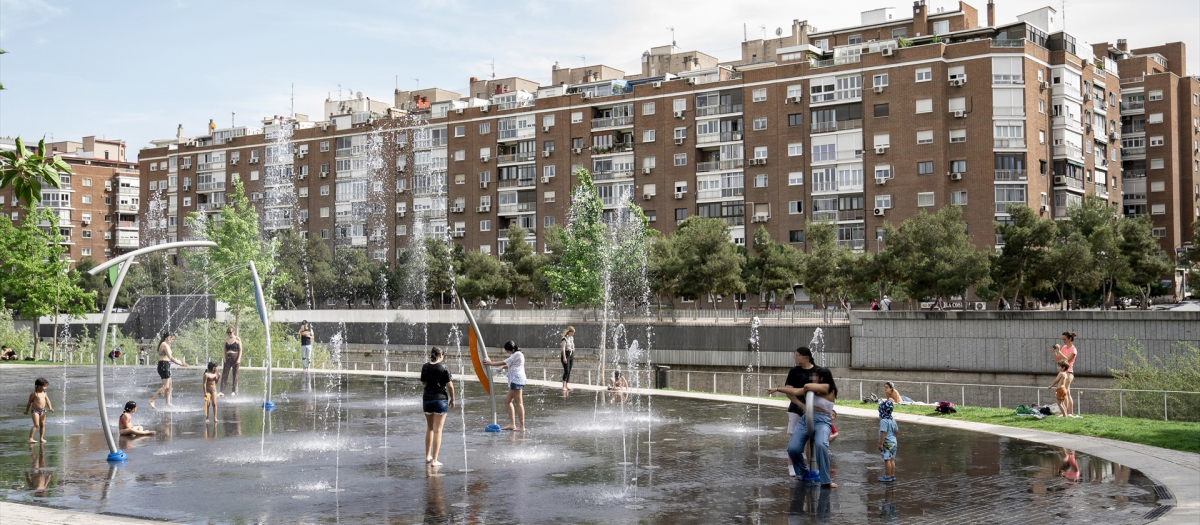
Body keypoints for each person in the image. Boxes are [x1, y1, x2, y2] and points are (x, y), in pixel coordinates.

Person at [768, 365, 839, 488]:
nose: (812, 378)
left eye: (815, 376)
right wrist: (777, 389)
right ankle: (802, 472)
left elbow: (805, 387)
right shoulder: (812, 389)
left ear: (822, 378)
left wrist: (806, 388)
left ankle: (826, 480)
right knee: (793, 448)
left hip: (822, 421)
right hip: (806, 419)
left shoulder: (828, 388)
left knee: (821, 445)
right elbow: (795, 391)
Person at [778, 346, 818, 479]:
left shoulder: (817, 371)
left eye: (796, 355)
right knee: (793, 438)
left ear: (805, 356)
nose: (795, 358)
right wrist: (800, 404)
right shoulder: (794, 371)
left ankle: (808, 466)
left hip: (812, 410)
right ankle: (792, 468)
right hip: (795, 409)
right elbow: (789, 391)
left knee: (809, 440)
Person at [420, 347, 455, 466]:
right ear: (440, 355)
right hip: (440, 400)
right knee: (438, 430)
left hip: (427, 399)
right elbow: (450, 386)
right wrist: (453, 399)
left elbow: (423, 383)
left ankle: (427, 456)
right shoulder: (444, 367)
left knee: (429, 428)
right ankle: (434, 460)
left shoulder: (425, 366)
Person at [483, 341, 526, 431]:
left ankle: (522, 426)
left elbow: (503, 362)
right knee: (507, 401)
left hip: (516, 380)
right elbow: (513, 364)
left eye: (508, 351)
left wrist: (490, 363)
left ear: (513, 349)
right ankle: (512, 424)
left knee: (519, 403)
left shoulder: (517, 354)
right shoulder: (517, 354)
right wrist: (504, 367)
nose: (507, 352)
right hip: (515, 380)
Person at [149, 332, 188, 409]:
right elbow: (170, 357)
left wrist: (180, 362)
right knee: (166, 386)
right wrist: (181, 364)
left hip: (164, 365)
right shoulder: (164, 345)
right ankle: (152, 400)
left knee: (169, 385)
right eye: (172, 339)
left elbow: (170, 358)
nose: (172, 341)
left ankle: (168, 402)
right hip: (164, 365)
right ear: (168, 338)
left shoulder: (164, 344)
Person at [1055, 331, 1078, 417]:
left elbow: (1066, 360)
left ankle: (1067, 413)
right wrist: (1055, 352)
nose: (1063, 341)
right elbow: (1058, 359)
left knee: (1066, 392)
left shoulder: (1073, 349)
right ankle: (1068, 413)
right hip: (1063, 372)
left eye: (1065, 339)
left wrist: (1059, 351)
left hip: (1069, 372)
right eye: (1062, 339)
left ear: (1070, 339)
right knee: (1066, 392)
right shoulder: (1064, 348)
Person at [24, 378, 54, 443]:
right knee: (36, 424)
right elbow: (29, 402)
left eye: (46, 386)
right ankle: (30, 438)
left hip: (43, 411)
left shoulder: (44, 393)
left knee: (42, 424)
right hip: (35, 411)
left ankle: (41, 438)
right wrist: (26, 410)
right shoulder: (34, 393)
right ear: (38, 386)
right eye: (44, 386)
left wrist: (50, 408)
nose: (45, 387)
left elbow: (47, 401)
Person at [877, 400, 898, 482]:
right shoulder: (893, 420)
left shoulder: (883, 421)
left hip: (887, 443)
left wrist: (881, 443)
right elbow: (896, 431)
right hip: (894, 442)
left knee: (887, 460)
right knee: (892, 459)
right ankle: (892, 475)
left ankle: (887, 476)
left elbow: (883, 432)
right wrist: (894, 438)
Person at [219, 327, 242, 397]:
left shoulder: (237, 339)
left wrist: (239, 359)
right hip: (228, 357)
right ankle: (222, 391)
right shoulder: (226, 340)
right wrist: (223, 357)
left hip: (235, 356)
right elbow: (223, 349)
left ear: (234, 332)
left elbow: (240, 350)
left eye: (231, 332)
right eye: (228, 333)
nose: (230, 334)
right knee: (225, 374)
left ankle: (234, 391)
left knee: (235, 375)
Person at [560, 326, 575, 392]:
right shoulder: (564, 339)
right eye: (572, 332)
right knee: (566, 370)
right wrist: (564, 357)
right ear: (569, 332)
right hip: (566, 354)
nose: (573, 334)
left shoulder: (571, 338)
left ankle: (567, 385)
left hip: (571, 354)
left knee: (569, 370)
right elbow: (563, 348)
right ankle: (563, 386)